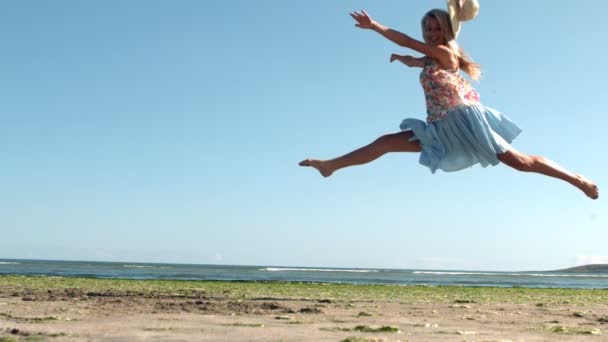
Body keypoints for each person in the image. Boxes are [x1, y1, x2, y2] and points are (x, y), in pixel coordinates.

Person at [299, 7, 599, 200]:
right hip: (440, 127)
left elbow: (406, 42)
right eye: (427, 29)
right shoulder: (432, 59)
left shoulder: (445, 52)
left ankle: (576, 179)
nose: (431, 34)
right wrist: (406, 61)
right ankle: (331, 165)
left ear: (446, 32)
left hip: (466, 121)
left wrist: (375, 26)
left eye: (436, 29)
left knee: (521, 163)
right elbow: (418, 59)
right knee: (386, 142)